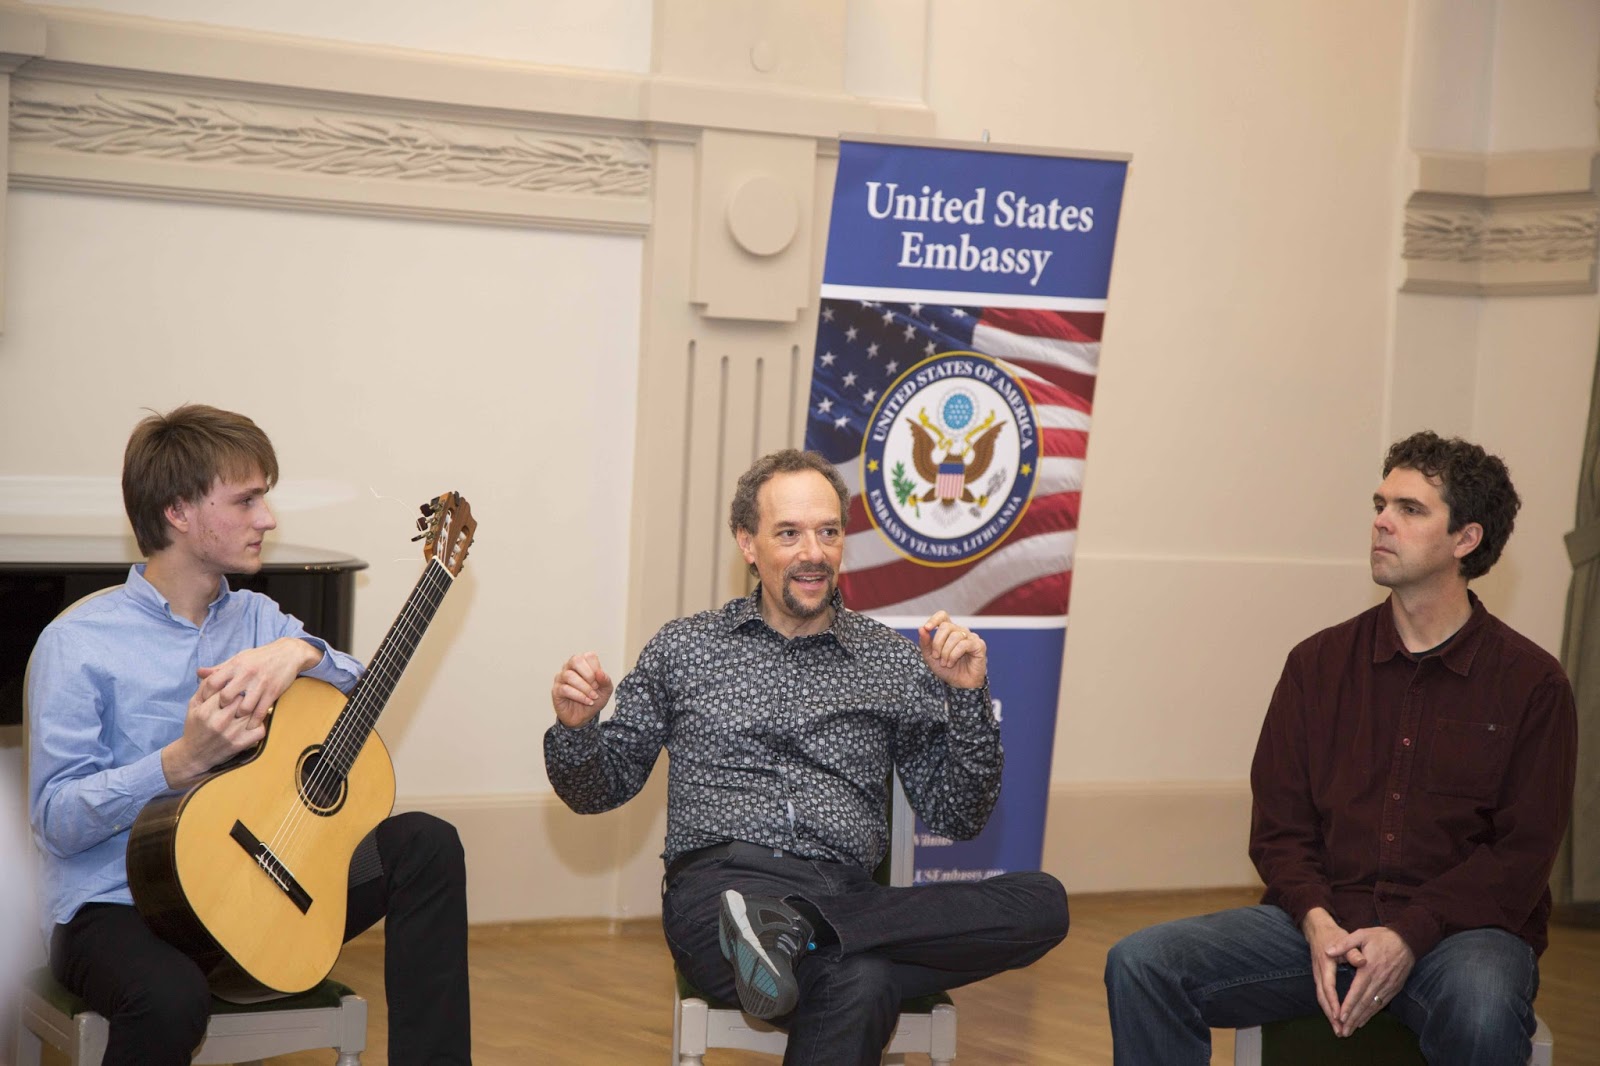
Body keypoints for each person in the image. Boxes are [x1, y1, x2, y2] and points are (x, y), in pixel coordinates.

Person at [546, 448, 1068, 1066]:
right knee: (866, 979)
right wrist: (577, 729)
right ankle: (779, 929)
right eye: (789, 534)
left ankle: (800, 928)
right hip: (722, 899)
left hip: (847, 893)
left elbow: (958, 814)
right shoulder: (685, 649)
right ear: (747, 543)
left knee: (1042, 903)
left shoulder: (891, 662)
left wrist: (966, 697)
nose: (813, 553)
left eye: (828, 532)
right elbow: (598, 790)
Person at [1105, 431, 1577, 1066]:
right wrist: (1315, 919)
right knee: (1142, 964)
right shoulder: (1317, 664)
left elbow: (1521, 855)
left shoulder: (1532, 684)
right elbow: (1280, 830)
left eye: (1410, 509)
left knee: (1481, 1008)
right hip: (1323, 926)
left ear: (1466, 539)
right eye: (1381, 504)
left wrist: (1409, 934)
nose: (1382, 521)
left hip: (1461, 938)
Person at [27, 404, 472, 1066]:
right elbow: (56, 821)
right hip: (118, 907)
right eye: (247, 500)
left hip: (259, 889)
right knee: (171, 998)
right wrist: (176, 763)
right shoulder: (77, 644)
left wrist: (302, 653)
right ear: (179, 511)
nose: (268, 519)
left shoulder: (262, 619)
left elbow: (359, 689)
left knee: (426, 845)